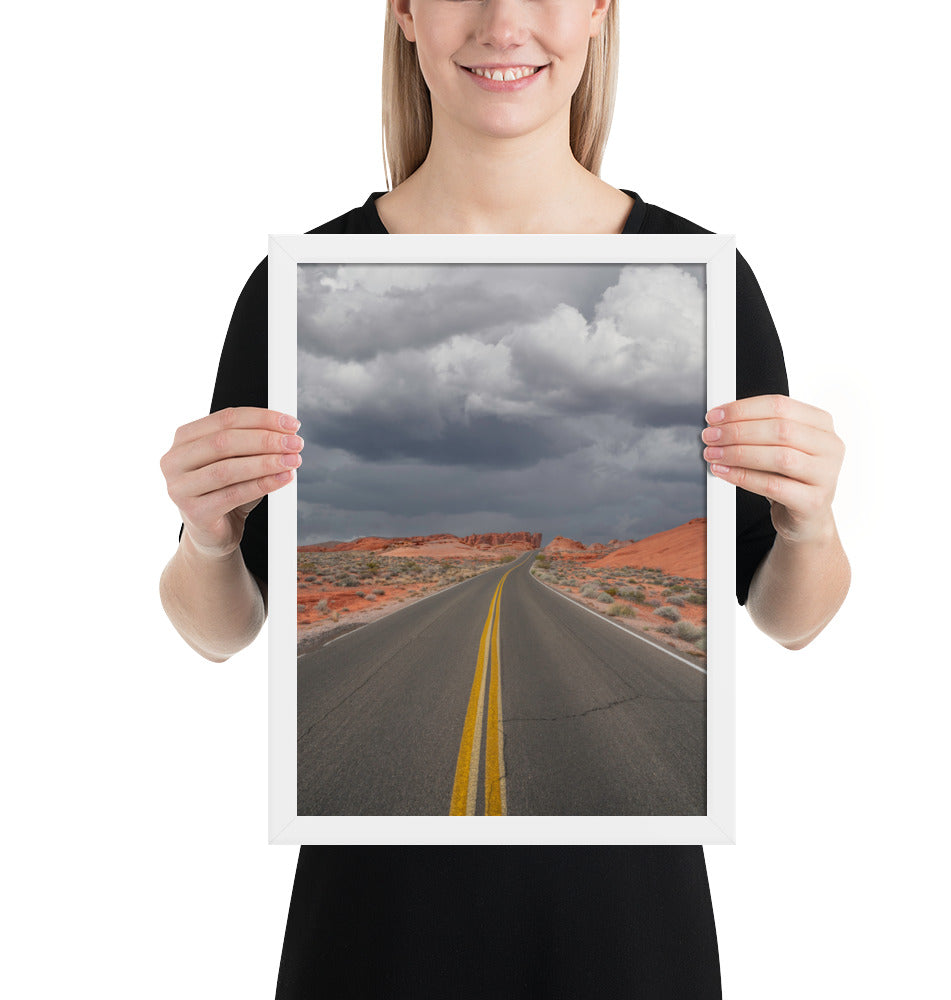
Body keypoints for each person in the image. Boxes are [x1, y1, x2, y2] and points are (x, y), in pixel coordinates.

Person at [160, 1, 850, 996]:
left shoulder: (704, 279)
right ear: (402, 12)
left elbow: (791, 616)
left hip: (626, 938)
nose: (503, 20)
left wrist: (810, 520)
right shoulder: (290, 287)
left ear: (601, 11)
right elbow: (218, 631)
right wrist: (207, 539)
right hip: (371, 937)